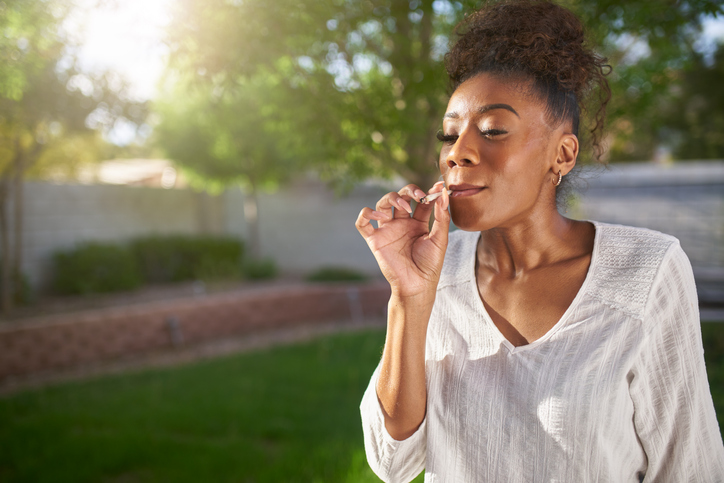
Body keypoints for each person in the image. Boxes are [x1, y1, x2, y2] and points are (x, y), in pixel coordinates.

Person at [354, 1, 724, 481]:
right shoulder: (434, 272)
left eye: (492, 130)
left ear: (562, 154)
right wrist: (409, 295)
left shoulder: (646, 270)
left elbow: (689, 466)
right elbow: (393, 463)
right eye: (449, 135)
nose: (457, 153)